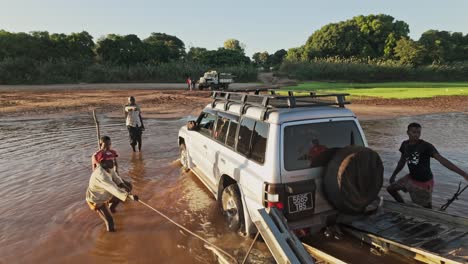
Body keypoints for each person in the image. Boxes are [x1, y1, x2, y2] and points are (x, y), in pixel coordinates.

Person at [387, 122, 468, 209]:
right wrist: (394, 175)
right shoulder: (405, 144)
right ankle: (403, 208)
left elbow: (442, 160)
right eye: (414, 132)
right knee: (390, 189)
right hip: (410, 178)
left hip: (424, 183)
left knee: (427, 210)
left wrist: (464, 174)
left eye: (418, 132)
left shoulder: (426, 146)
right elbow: (402, 161)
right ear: (408, 132)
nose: (416, 135)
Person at [86, 141, 139, 232]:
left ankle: (111, 208)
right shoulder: (101, 175)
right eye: (110, 160)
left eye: (112, 159)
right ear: (103, 162)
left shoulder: (108, 168)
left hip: (104, 193)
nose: (113, 162)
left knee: (119, 197)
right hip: (96, 199)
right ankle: (110, 236)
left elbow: (115, 177)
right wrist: (129, 196)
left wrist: (122, 184)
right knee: (110, 221)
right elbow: (113, 188)